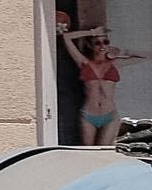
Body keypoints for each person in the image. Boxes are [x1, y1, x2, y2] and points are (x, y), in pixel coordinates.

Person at [57, 14, 147, 147]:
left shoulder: (114, 64)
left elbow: (145, 56)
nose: (102, 46)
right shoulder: (84, 63)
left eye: (105, 42)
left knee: (104, 151)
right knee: (87, 153)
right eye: (97, 43)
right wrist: (92, 32)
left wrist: (122, 52)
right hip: (88, 114)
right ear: (90, 45)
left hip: (110, 114)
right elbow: (67, 37)